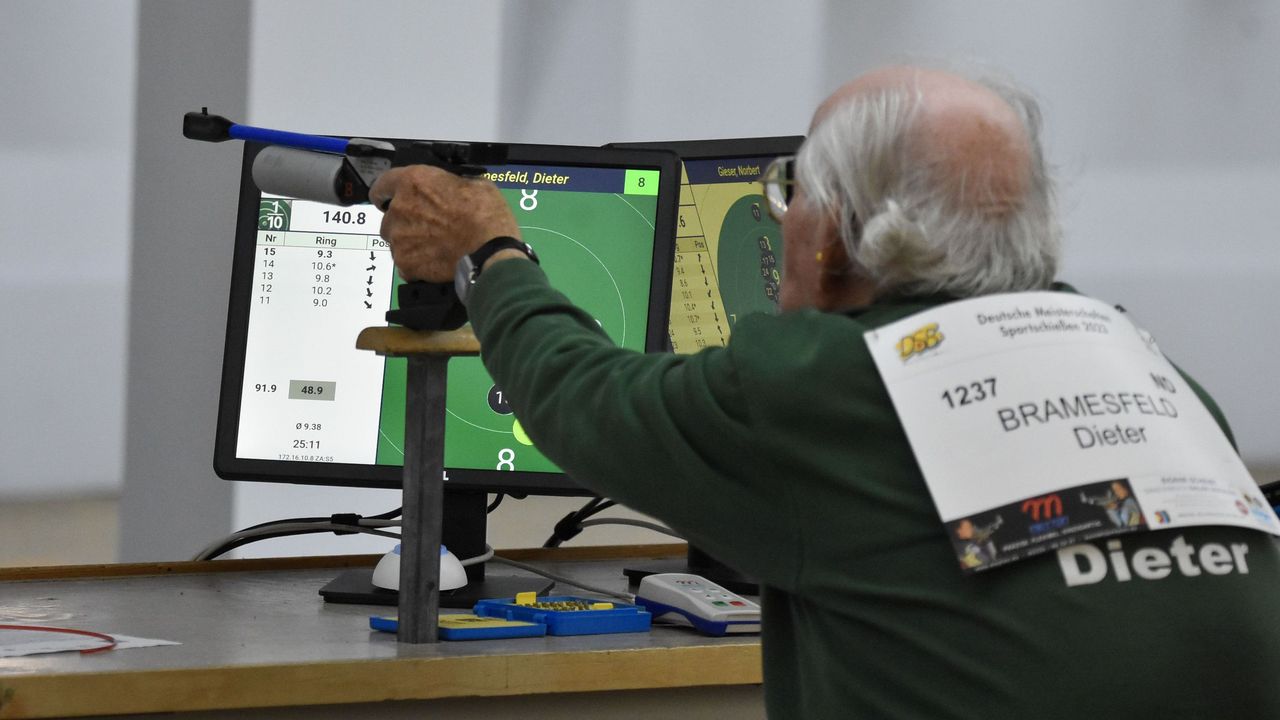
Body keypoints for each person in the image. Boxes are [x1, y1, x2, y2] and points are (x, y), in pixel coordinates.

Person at [369, 65, 1280, 717]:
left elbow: (580, 396)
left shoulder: (830, 384)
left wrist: (488, 250)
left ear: (836, 235)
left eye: (794, 188)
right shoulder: (1149, 367)